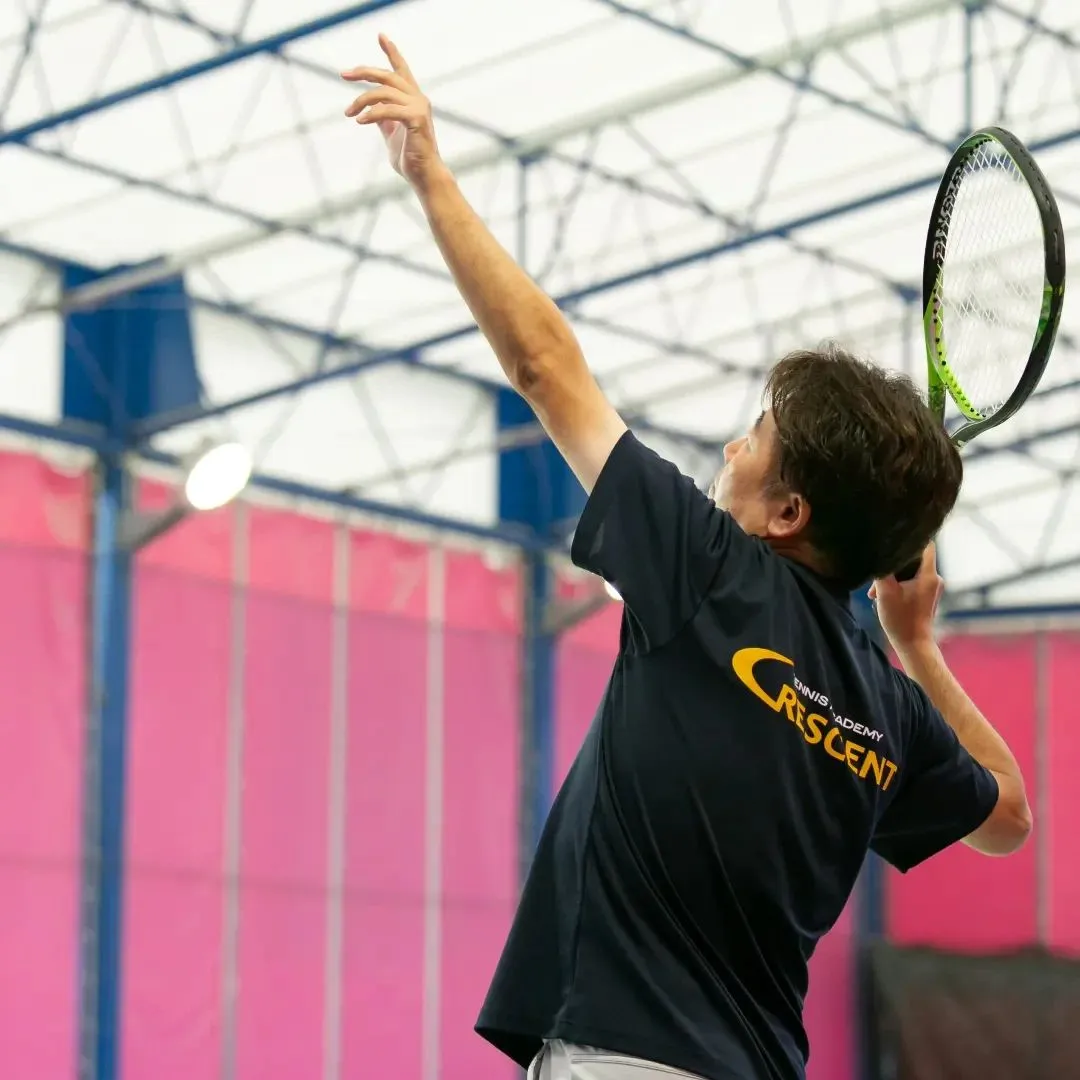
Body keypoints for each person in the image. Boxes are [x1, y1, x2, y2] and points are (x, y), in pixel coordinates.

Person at [342, 38, 1033, 1080]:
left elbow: (543, 364)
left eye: (752, 435)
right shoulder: (883, 713)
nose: (727, 449)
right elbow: (1009, 817)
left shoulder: (709, 569)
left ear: (787, 513)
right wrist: (917, 645)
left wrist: (429, 173)